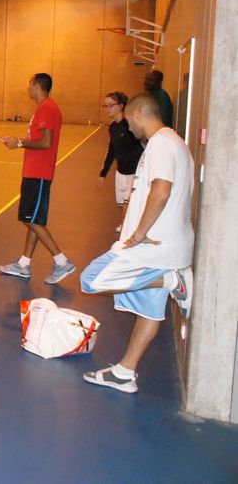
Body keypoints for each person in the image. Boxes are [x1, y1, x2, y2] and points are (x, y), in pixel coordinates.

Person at [79, 92, 194, 393]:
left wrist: (139, 233)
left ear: (140, 114)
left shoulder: (161, 144)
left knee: (90, 279)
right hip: (163, 246)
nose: (128, 128)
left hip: (153, 250)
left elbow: (161, 191)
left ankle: (171, 279)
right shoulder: (173, 142)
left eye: (130, 121)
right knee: (148, 312)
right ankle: (124, 373)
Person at [0, 73, 74, 284]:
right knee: (34, 220)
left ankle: (62, 261)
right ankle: (23, 264)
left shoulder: (47, 108)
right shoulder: (44, 108)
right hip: (34, 171)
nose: (27, 87)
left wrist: (19, 143)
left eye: (29, 83)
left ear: (38, 86)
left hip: (38, 172)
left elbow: (46, 142)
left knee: (29, 219)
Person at [99, 92, 144, 231]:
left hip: (134, 173)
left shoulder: (131, 125)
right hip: (121, 172)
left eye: (111, 105)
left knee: (128, 202)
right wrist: (103, 173)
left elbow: (144, 145)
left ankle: (128, 228)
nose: (107, 109)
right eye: (105, 106)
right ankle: (127, 224)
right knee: (121, 203)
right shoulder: (112, 127)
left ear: (121, 106)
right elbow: (111, 150)